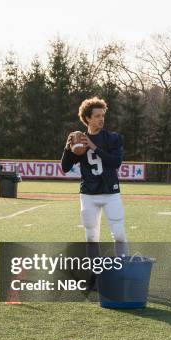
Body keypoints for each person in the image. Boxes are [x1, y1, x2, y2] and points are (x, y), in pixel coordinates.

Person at [61, 97, 128, 256]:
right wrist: (67, 148)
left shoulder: (112, 138)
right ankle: (94, 270)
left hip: (110, 192)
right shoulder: (80, 141)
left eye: (103, 115)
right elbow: (65, 167)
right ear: (87, 118)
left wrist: (94, 147)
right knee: (91, 236)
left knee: (118, 233)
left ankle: (123, 266)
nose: (101, 119)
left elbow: (115, 162)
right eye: (97, 116)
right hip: (88, 193)